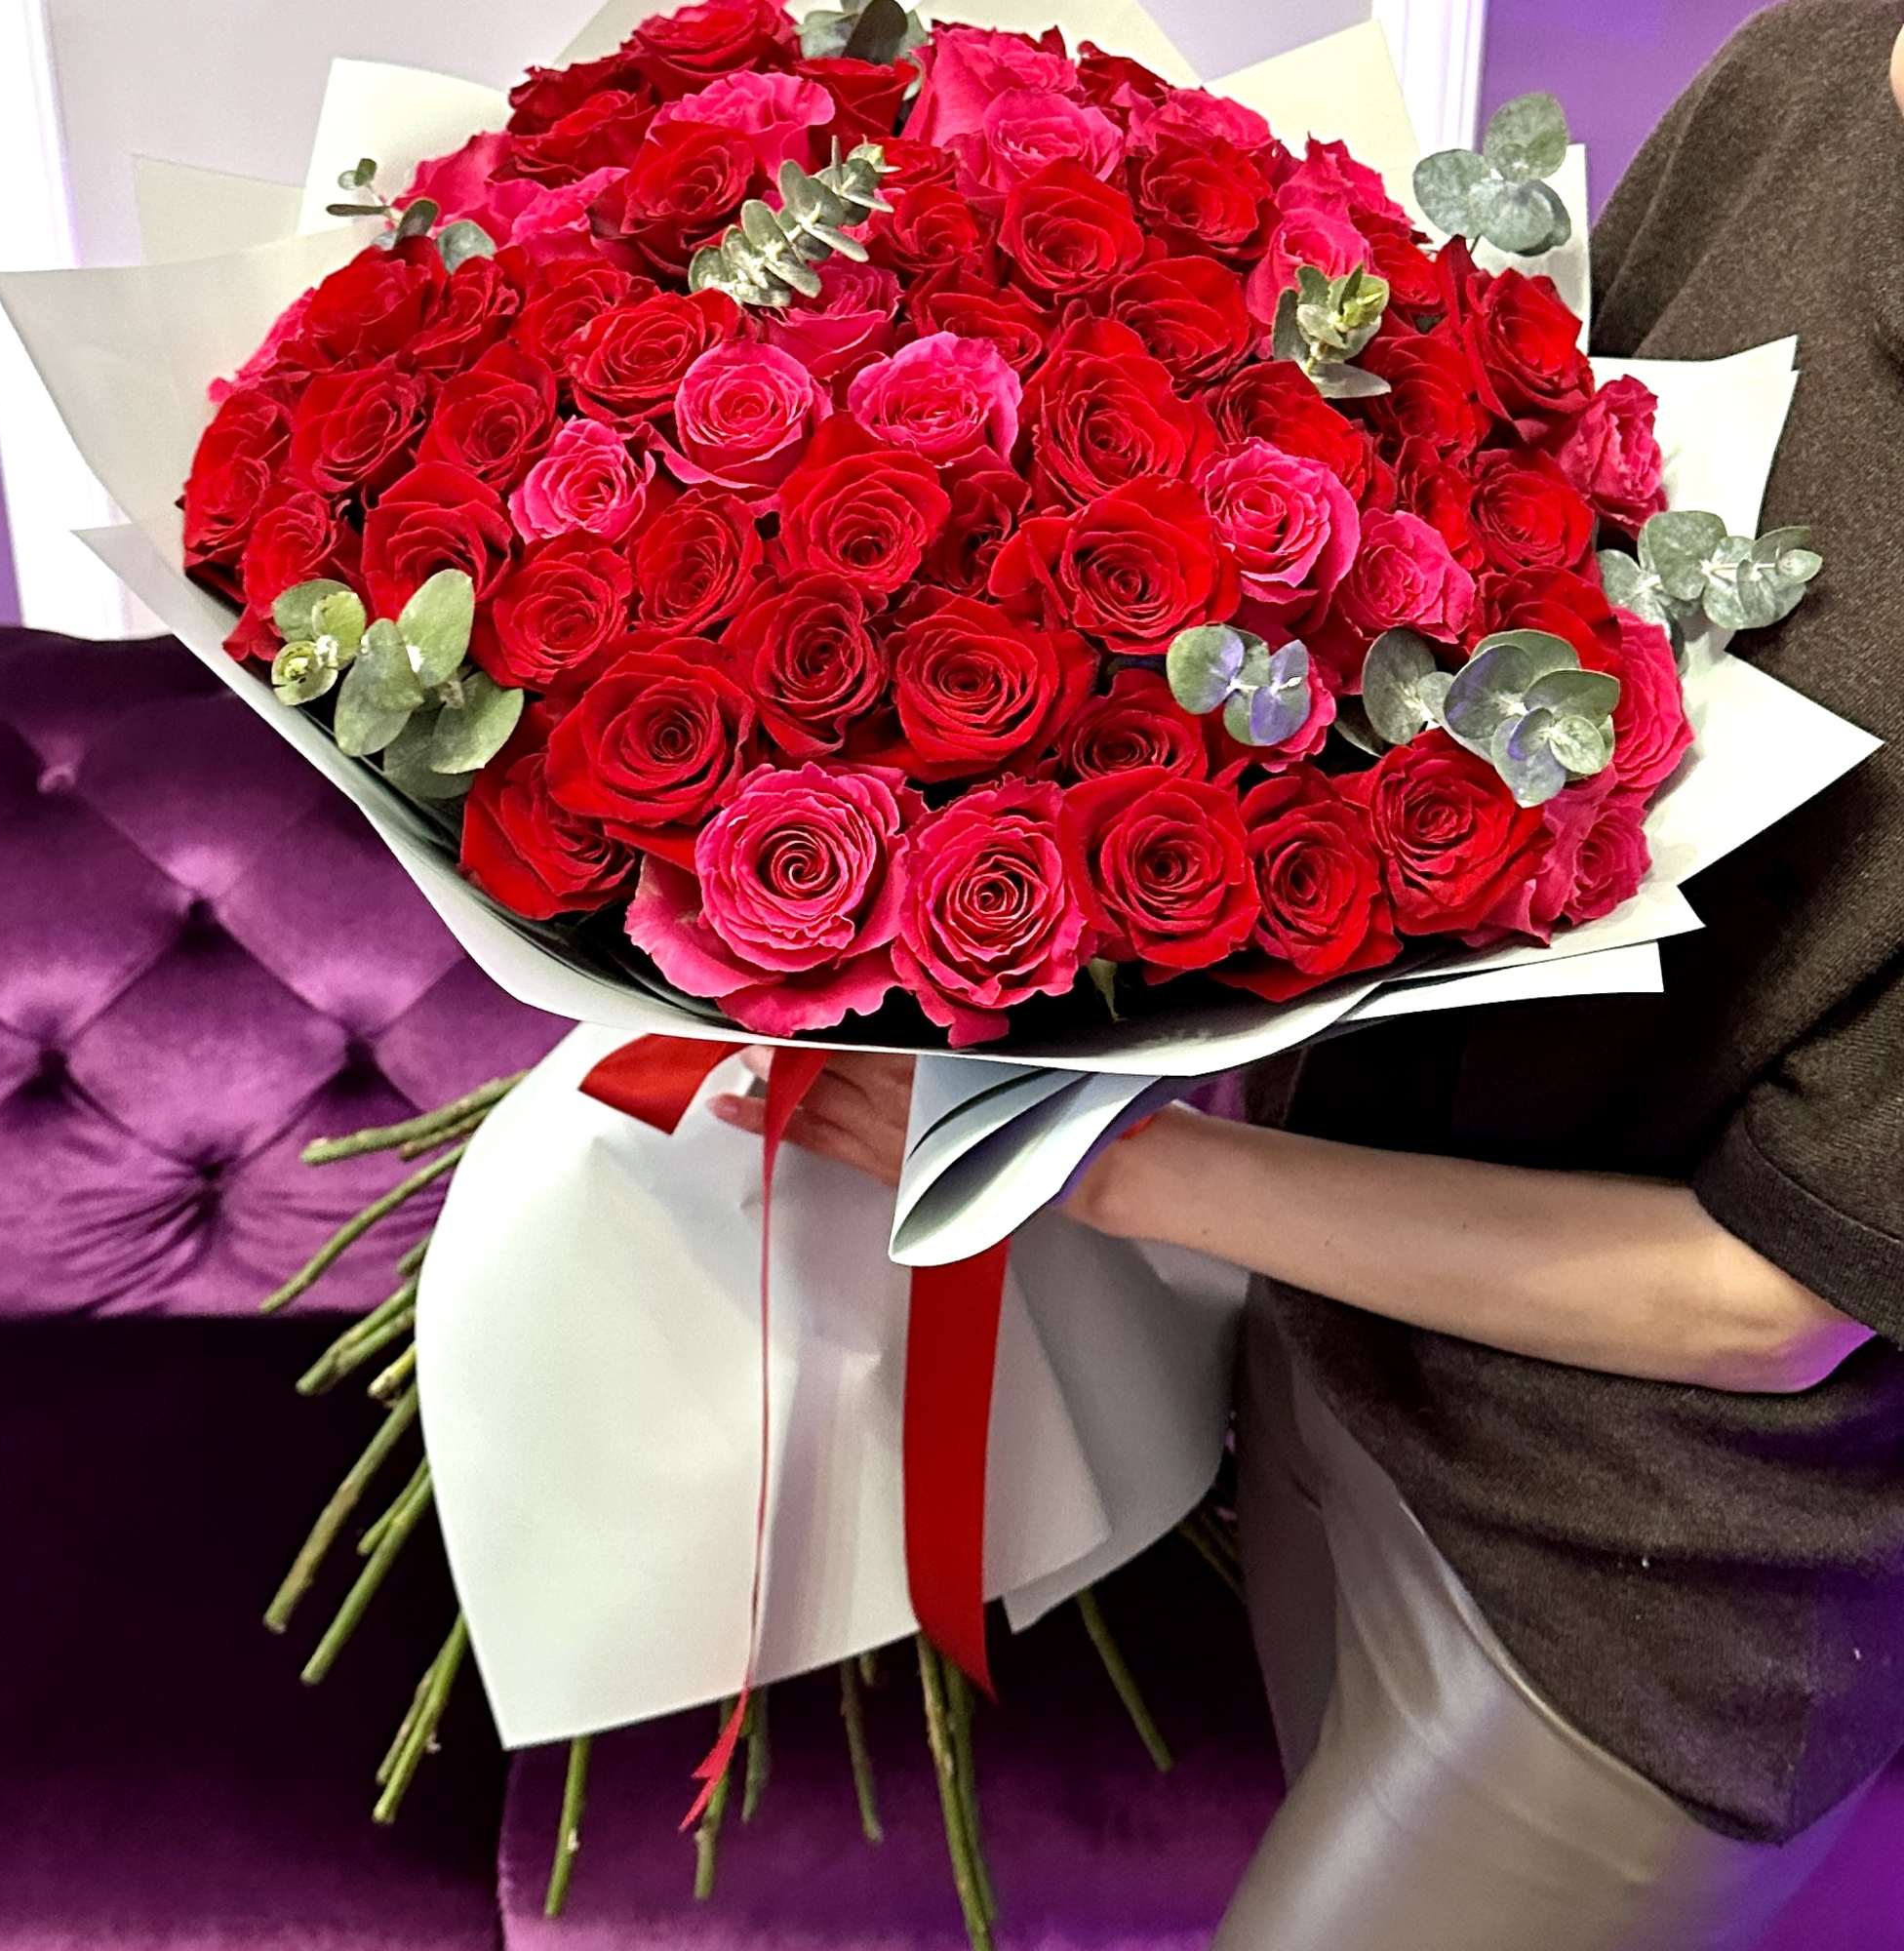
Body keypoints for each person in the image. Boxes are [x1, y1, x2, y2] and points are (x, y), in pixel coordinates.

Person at [710, 4, 1904, 1945]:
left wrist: (1093, 1161)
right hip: (1335, 1371)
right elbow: (1551, 519)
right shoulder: (1812, 65)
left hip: (1639, 1577)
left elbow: (1767, 1306)